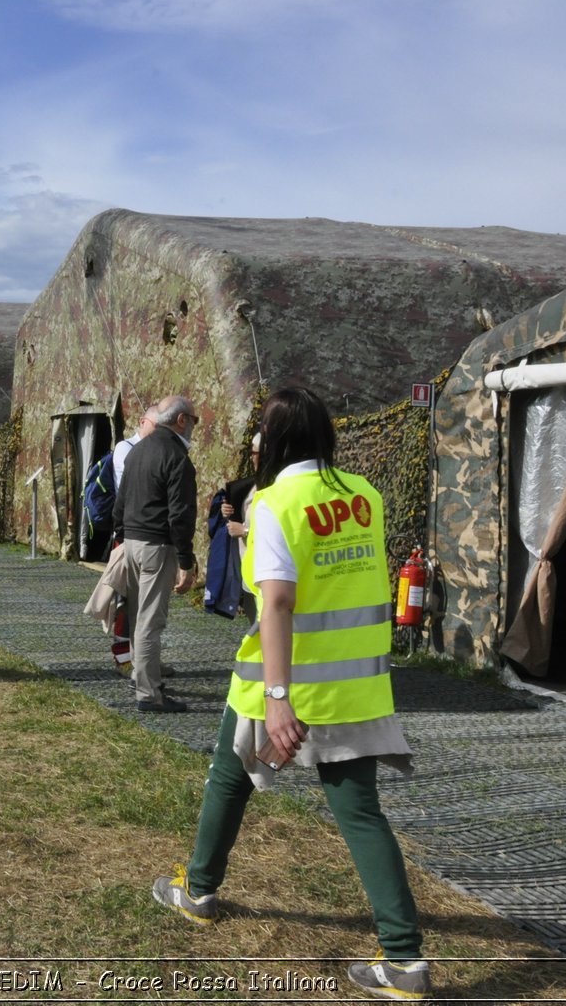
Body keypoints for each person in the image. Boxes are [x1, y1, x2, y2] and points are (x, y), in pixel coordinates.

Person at [150, 386, 429, 1001]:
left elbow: (276, 601)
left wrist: (279, 695)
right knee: (361, 814)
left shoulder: (275, 501)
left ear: (272, 443)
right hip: (356, 682)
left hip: (276, 677)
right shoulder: (366, 497)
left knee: (228, 775)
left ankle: (198, 890)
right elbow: (333, 568)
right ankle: (405, 958)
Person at [111, 395, 199, 712]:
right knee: (150, 622)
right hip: (157, 547)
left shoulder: (136, 452)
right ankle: (149, 694)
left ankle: (142, 676)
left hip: (132, 543)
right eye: (194, 421)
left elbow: (119, 504)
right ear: (181, 420)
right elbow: (180, 515)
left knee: (138, 617)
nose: (194, 428)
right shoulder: (176, 457)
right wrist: (186, 561)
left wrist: (121, 538)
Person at [104, 402, 162, 674]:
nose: (159, 431)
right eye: (155, 424)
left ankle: (146, 658)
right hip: (129, 532)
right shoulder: (126, 449)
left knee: (149, 601)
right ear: (142, 422)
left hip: (148, 534)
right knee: (125, 599)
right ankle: (122, 656)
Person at [219, 434, 263, 625]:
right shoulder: (249, 487)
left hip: (268, 576)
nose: (252, 457)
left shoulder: (280, 488)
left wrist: (245, 531)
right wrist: (226, 512)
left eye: (254, 453)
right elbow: (239, 517)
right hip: (249, 573)